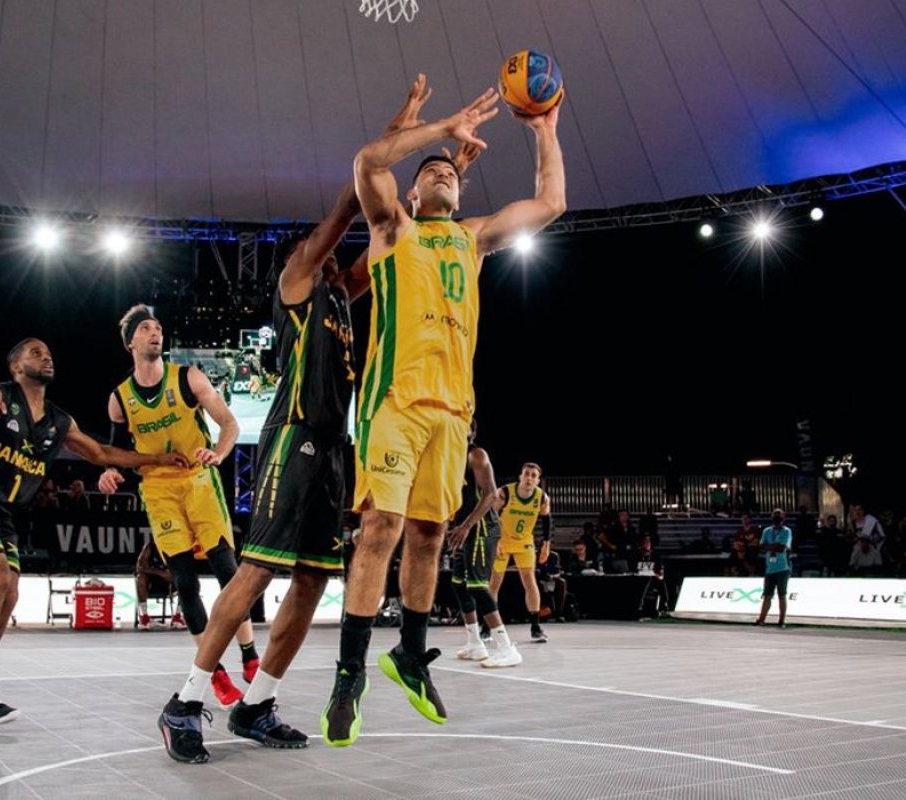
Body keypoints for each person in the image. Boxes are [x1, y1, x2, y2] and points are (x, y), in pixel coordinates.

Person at [157, 76, 474, 763]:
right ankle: (184, 700)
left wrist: (423, 195)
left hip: (337, 447)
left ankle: (257, 703)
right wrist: (404, 137)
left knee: (310, 582)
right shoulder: (301, 278)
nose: (335, 244)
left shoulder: (343, 291)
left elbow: (399, 233)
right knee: (256, 574)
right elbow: (362, 188)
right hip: (292, 438)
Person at [321, 74, 566, 748]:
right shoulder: (391, 228)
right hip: (394, 402)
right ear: (413, 191)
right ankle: (349, 675)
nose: (442, 177)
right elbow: (368, 163)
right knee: (383, 525)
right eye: (429, 172)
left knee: (429, 534)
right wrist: (442, 132)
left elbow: (551, 201)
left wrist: (544, 128)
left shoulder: (474, 237)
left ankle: (410, 652)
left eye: (450, 175)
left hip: (454, 413)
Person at [0, 338, 186, 727]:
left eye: (48, 353)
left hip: (1, 513)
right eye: (35, 352)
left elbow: (100, 454)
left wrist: (157, 459)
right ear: (15, 366)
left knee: (9, 593)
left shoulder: (59, 421)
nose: (46, 357)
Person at [97, 305, 257, 710]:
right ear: (131, 341)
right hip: (159, 490)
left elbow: (230, 424)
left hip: (199, 482)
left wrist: (219, 453)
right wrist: (110, 471)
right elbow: (118, 452)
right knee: (185, 582)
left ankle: (251, 657)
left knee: (227, 573)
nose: (155, 333)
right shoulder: (120, 400)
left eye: (158, 327)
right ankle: (214, 673)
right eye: (146, 328)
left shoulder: (187, 378)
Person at [446, 418, 520, 668]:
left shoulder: (476, 455)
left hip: (481, 528)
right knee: (458, 584)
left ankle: (505, 647)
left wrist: (465, 525)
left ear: (471, 431)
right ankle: (475, 643)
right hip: (462, 528)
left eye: (462, 424)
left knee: (477, 586)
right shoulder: (448, 457)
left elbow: (491, 494)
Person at [490, 463, 554, 643]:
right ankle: (487, 626)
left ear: (538, 480)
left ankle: (535, 626)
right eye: (526, 474)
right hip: (502, 540)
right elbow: (490, 516)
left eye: (534, 475)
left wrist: (546, 544)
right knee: (494, 583)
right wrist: (494, 540)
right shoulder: (505, 493)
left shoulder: (542, 498)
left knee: (529, 580)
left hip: (524, 541)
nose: (529, 478)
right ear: (520, 476)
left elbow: (547, 520)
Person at [754, 508, 793, 628]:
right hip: (769, 569)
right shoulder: (766, 531)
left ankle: (781, 620)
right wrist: (774, 546)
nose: (777, 518)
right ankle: (761, 619)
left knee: (782, 595)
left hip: (782, 568)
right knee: (767, 595)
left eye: (779, 515)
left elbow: (783, 548)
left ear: (783, 518)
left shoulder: (787, 531)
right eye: (775, 515)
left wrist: (768, 546)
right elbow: (761, 547)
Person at [134, 537, 175, 629]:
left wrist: (169, 574)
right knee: (140, 578)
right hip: (151, 583)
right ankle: (144, 617)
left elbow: (174, 574)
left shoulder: (175, 546)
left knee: (186, 579)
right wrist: (160, 573)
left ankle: (177, 616)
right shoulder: (150, 547)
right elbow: (140, 568)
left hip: (171, 584)